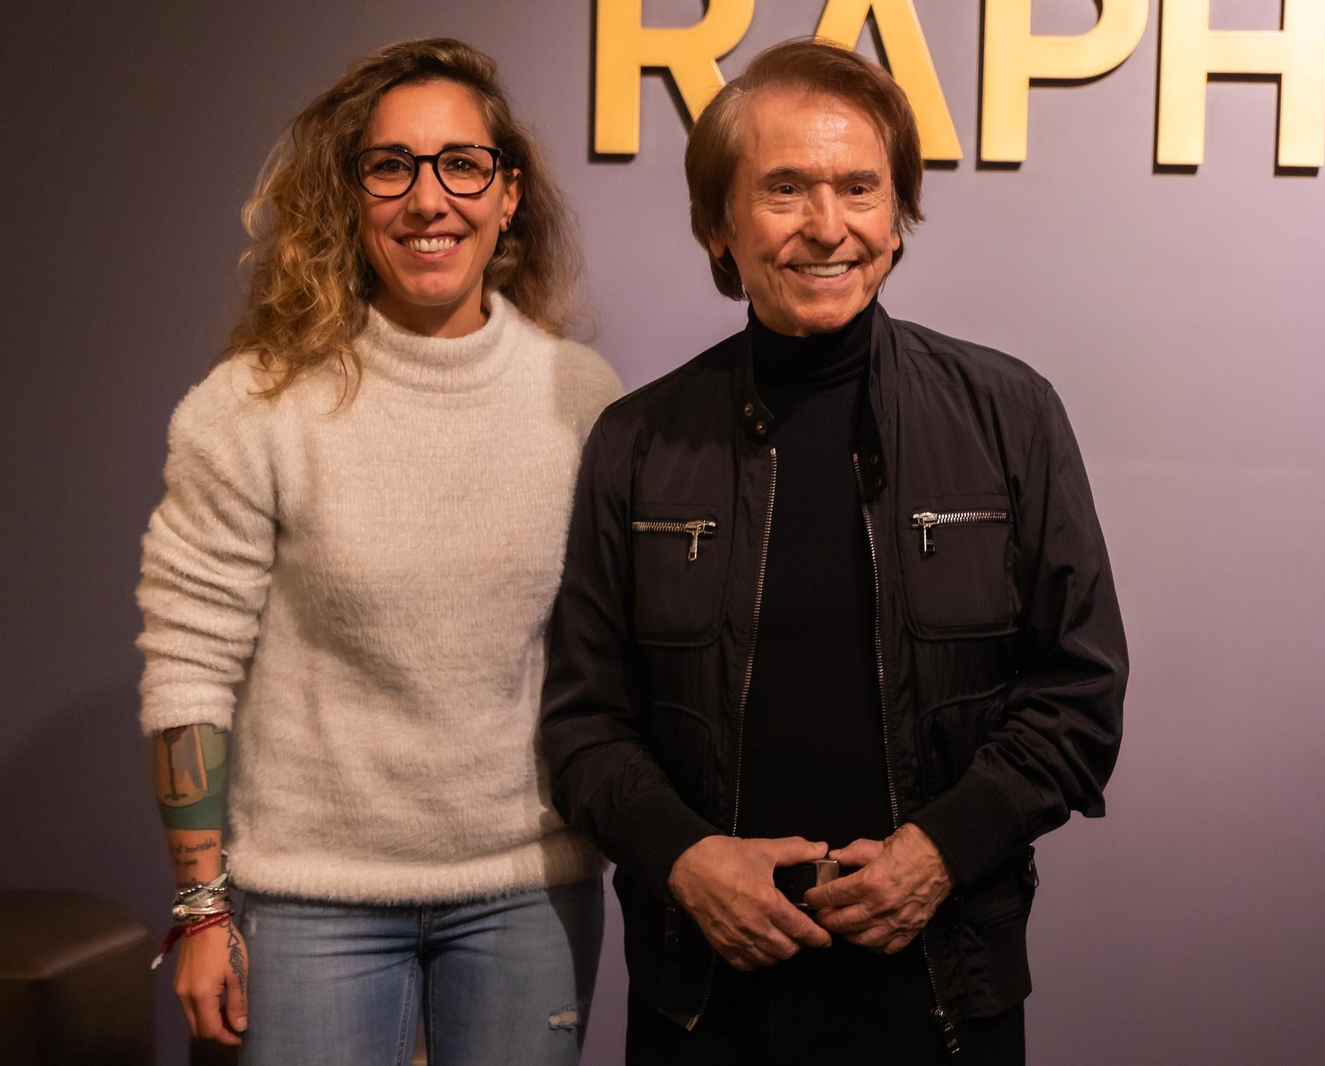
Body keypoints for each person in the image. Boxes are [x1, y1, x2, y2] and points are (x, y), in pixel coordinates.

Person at [541, 38, 1128, 1066]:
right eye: (783, 188)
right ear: (718, 225)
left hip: (943, 989)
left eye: (859, 187)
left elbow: (1077, 697)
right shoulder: (637, 443)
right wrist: (684, 859)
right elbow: (584, 725)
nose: (826, 225)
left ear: (896, 217)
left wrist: (941, 851)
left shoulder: (1009, 415)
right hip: (705, 999)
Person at [136, 38, 621, 1066]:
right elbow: (188, 664)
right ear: (353, 196)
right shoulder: (255, 404)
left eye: (461, 164)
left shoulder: (584, 399)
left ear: (507, 194)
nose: (427, 198)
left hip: (526, 888)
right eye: (391, 166)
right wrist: (200, 905)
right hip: (311, 899)